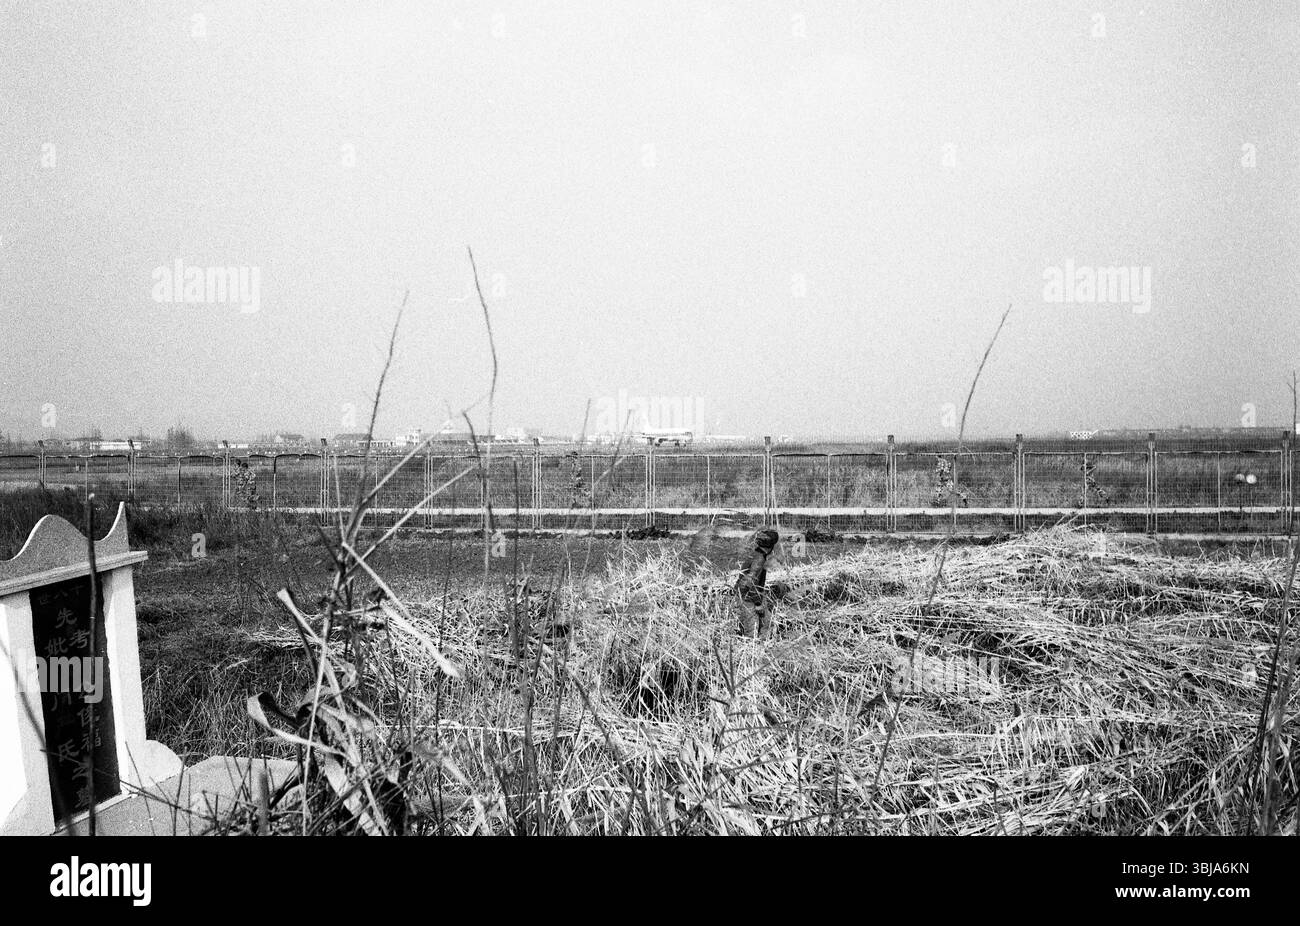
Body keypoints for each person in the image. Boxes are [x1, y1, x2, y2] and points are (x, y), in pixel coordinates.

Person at [736, 528, 779, 638]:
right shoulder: (759, 559)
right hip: (747, 596)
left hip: (751, 594)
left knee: (767, 621)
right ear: (771, 547)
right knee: (752, 629)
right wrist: (758, 603)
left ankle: (762, 646)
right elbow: (750, 583)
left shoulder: (755, 554)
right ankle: (751, 649)